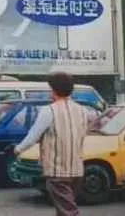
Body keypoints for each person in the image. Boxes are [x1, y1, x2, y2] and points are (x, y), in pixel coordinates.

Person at [11, 73, 88, 216]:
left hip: (57, 171)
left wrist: (17, 149)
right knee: (64, 208)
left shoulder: (49, 111)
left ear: (54, 90)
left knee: (68, 211)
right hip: (77, 169)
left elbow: (33, 136)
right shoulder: (83, 111)